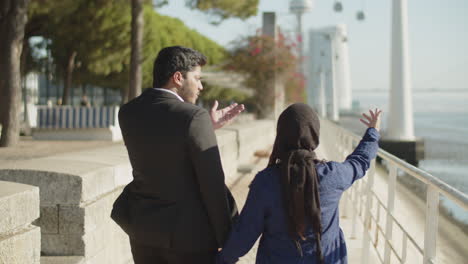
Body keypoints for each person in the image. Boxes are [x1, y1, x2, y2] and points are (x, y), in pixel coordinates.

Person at [113, 46, 245, 264]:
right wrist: (228, 238)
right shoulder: (194, 117)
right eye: (197, 78)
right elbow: (212, 185)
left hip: (144, 234)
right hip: (190, 240)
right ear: (178, 78)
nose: (201, 86)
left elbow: (162, 145)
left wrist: (205, 129)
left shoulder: (128, 112)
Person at [217, 103, 382, 264]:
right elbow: (360, 161)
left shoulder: (266, 182)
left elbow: (244, 236)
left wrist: (221, 259)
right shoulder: (333, 176)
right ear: (315, 134)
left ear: (280, 135)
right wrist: (373, 132)